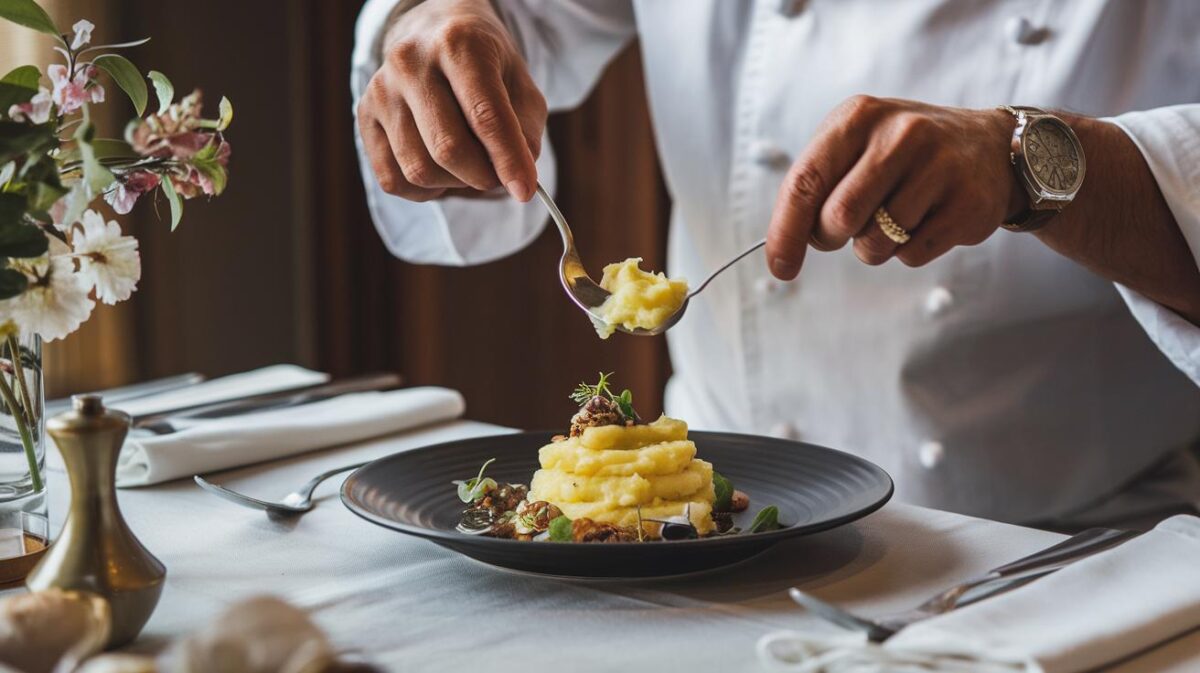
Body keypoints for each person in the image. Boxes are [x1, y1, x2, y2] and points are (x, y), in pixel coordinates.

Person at [350, 0, 1200, 529]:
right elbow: (509, 13)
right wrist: (428, 23)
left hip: (1068, 544)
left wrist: (1029, 163)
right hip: (710, 521)